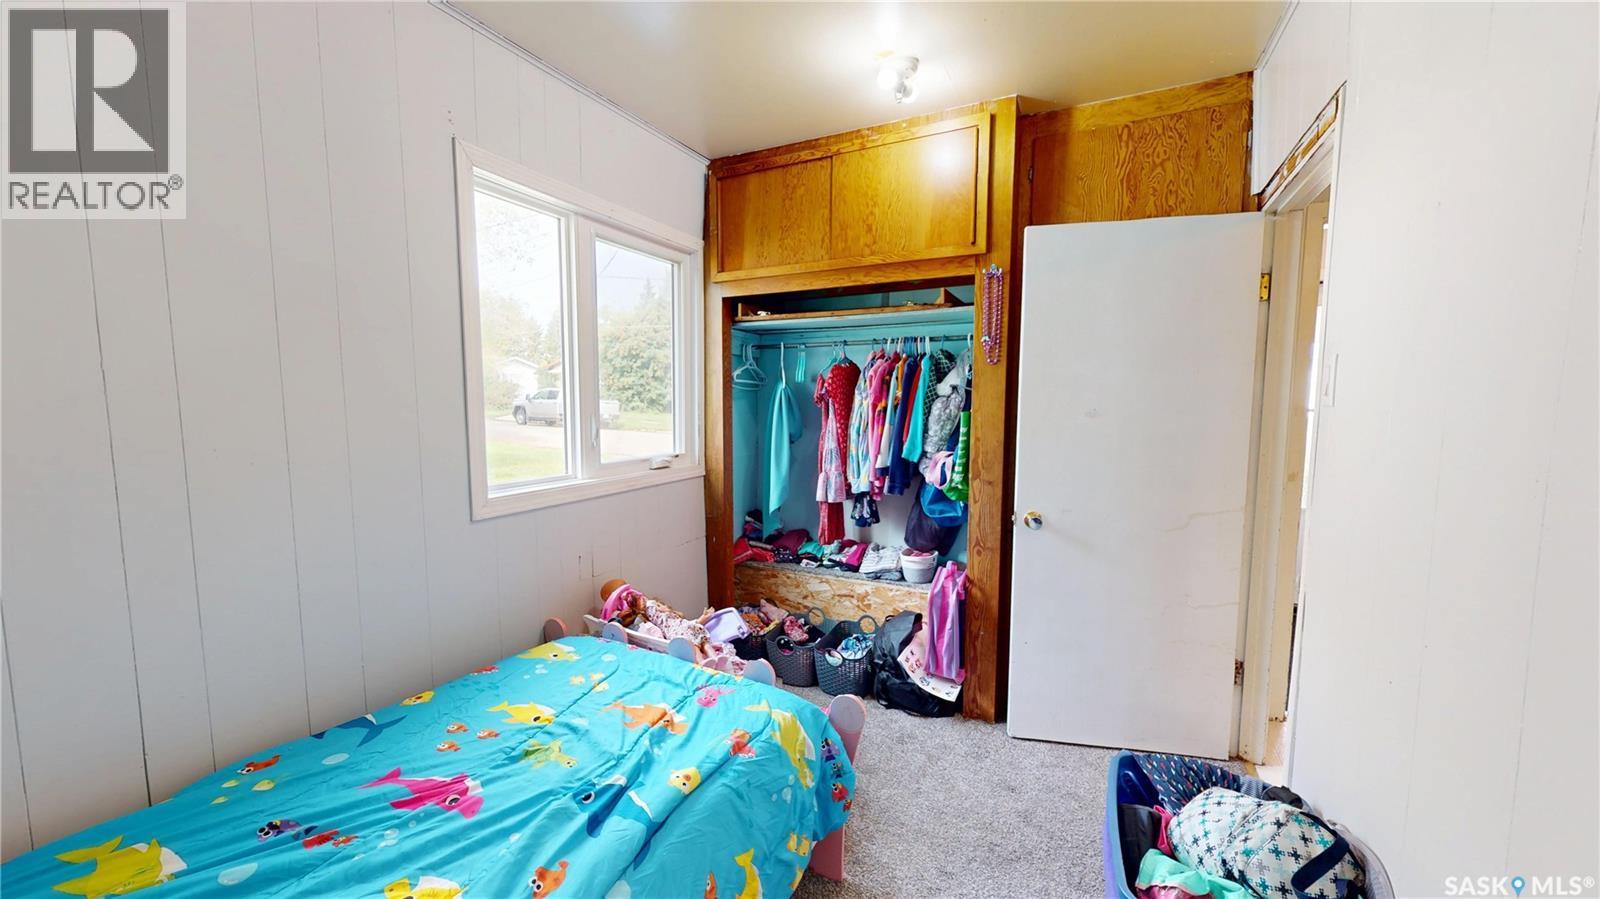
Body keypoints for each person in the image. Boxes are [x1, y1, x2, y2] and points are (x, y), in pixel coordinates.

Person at [599, 579, 746, 675]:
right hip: (678, 636)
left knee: (699, 635)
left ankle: (715, 658)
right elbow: (656, 633)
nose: (661, 606)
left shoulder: (666, 615)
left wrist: (702, 619)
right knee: (693, 641)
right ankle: (703, 661)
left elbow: (686, 624)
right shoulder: (644, 620)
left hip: (686, 628)